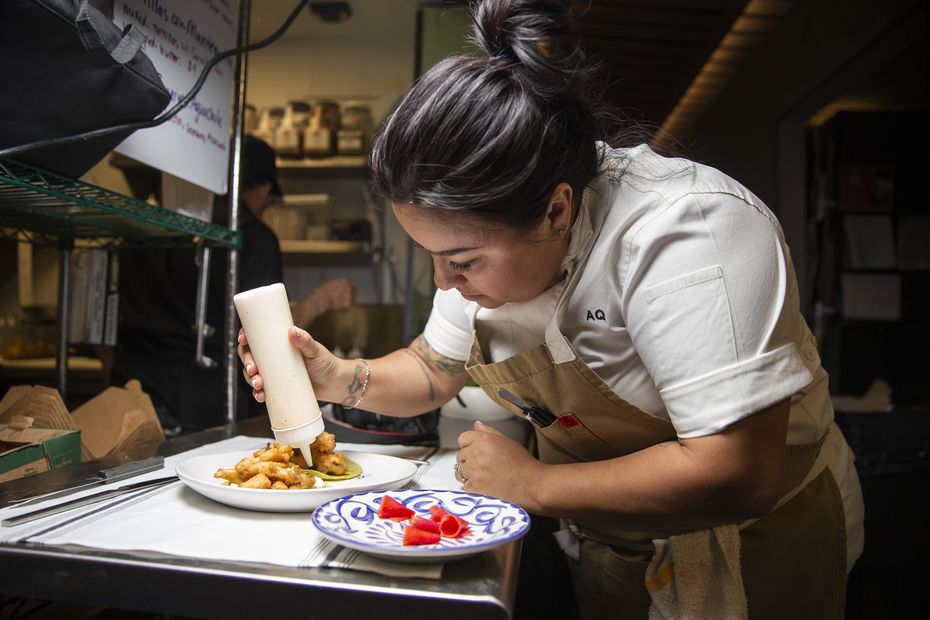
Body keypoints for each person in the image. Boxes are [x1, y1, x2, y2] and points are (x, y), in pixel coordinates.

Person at [237, 1, 863, 618]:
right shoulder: (481, 248)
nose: (445, 282)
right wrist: (337, 377)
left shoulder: (689, 232)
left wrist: (534, 485)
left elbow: (736, 472)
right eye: (430, 256)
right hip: (608, 541)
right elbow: (433, 369)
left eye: (463, 259)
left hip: (753, 548)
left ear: (557, 210)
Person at [112, 135, 355, 433]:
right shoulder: (253, 238)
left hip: (129, 390)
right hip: (203, 404)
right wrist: (320, 300)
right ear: (264, 187)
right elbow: (270, 340)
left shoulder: (147, 227)